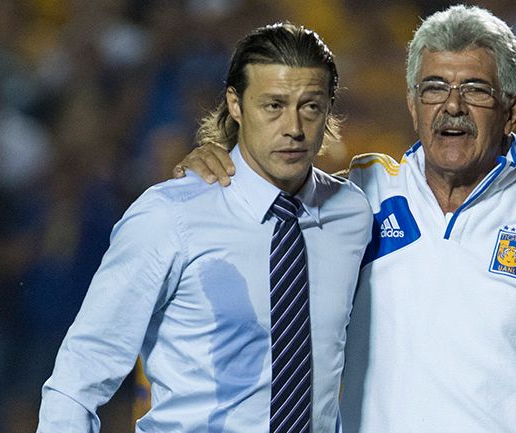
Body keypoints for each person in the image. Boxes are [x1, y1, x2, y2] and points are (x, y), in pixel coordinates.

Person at [176, 6, 516, 432]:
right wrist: (213, 167)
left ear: (511, 110)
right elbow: (255, 206)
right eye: (434, 88)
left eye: (475, 90)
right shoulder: (357, 193)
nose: (452, 106)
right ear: (412, 104)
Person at [37, 22, 372, 433]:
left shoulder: (354, 214)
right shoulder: (170, 216)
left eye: (311, 106)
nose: (294, 128)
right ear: (235, 104)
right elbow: (79, 376)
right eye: (273, 105)